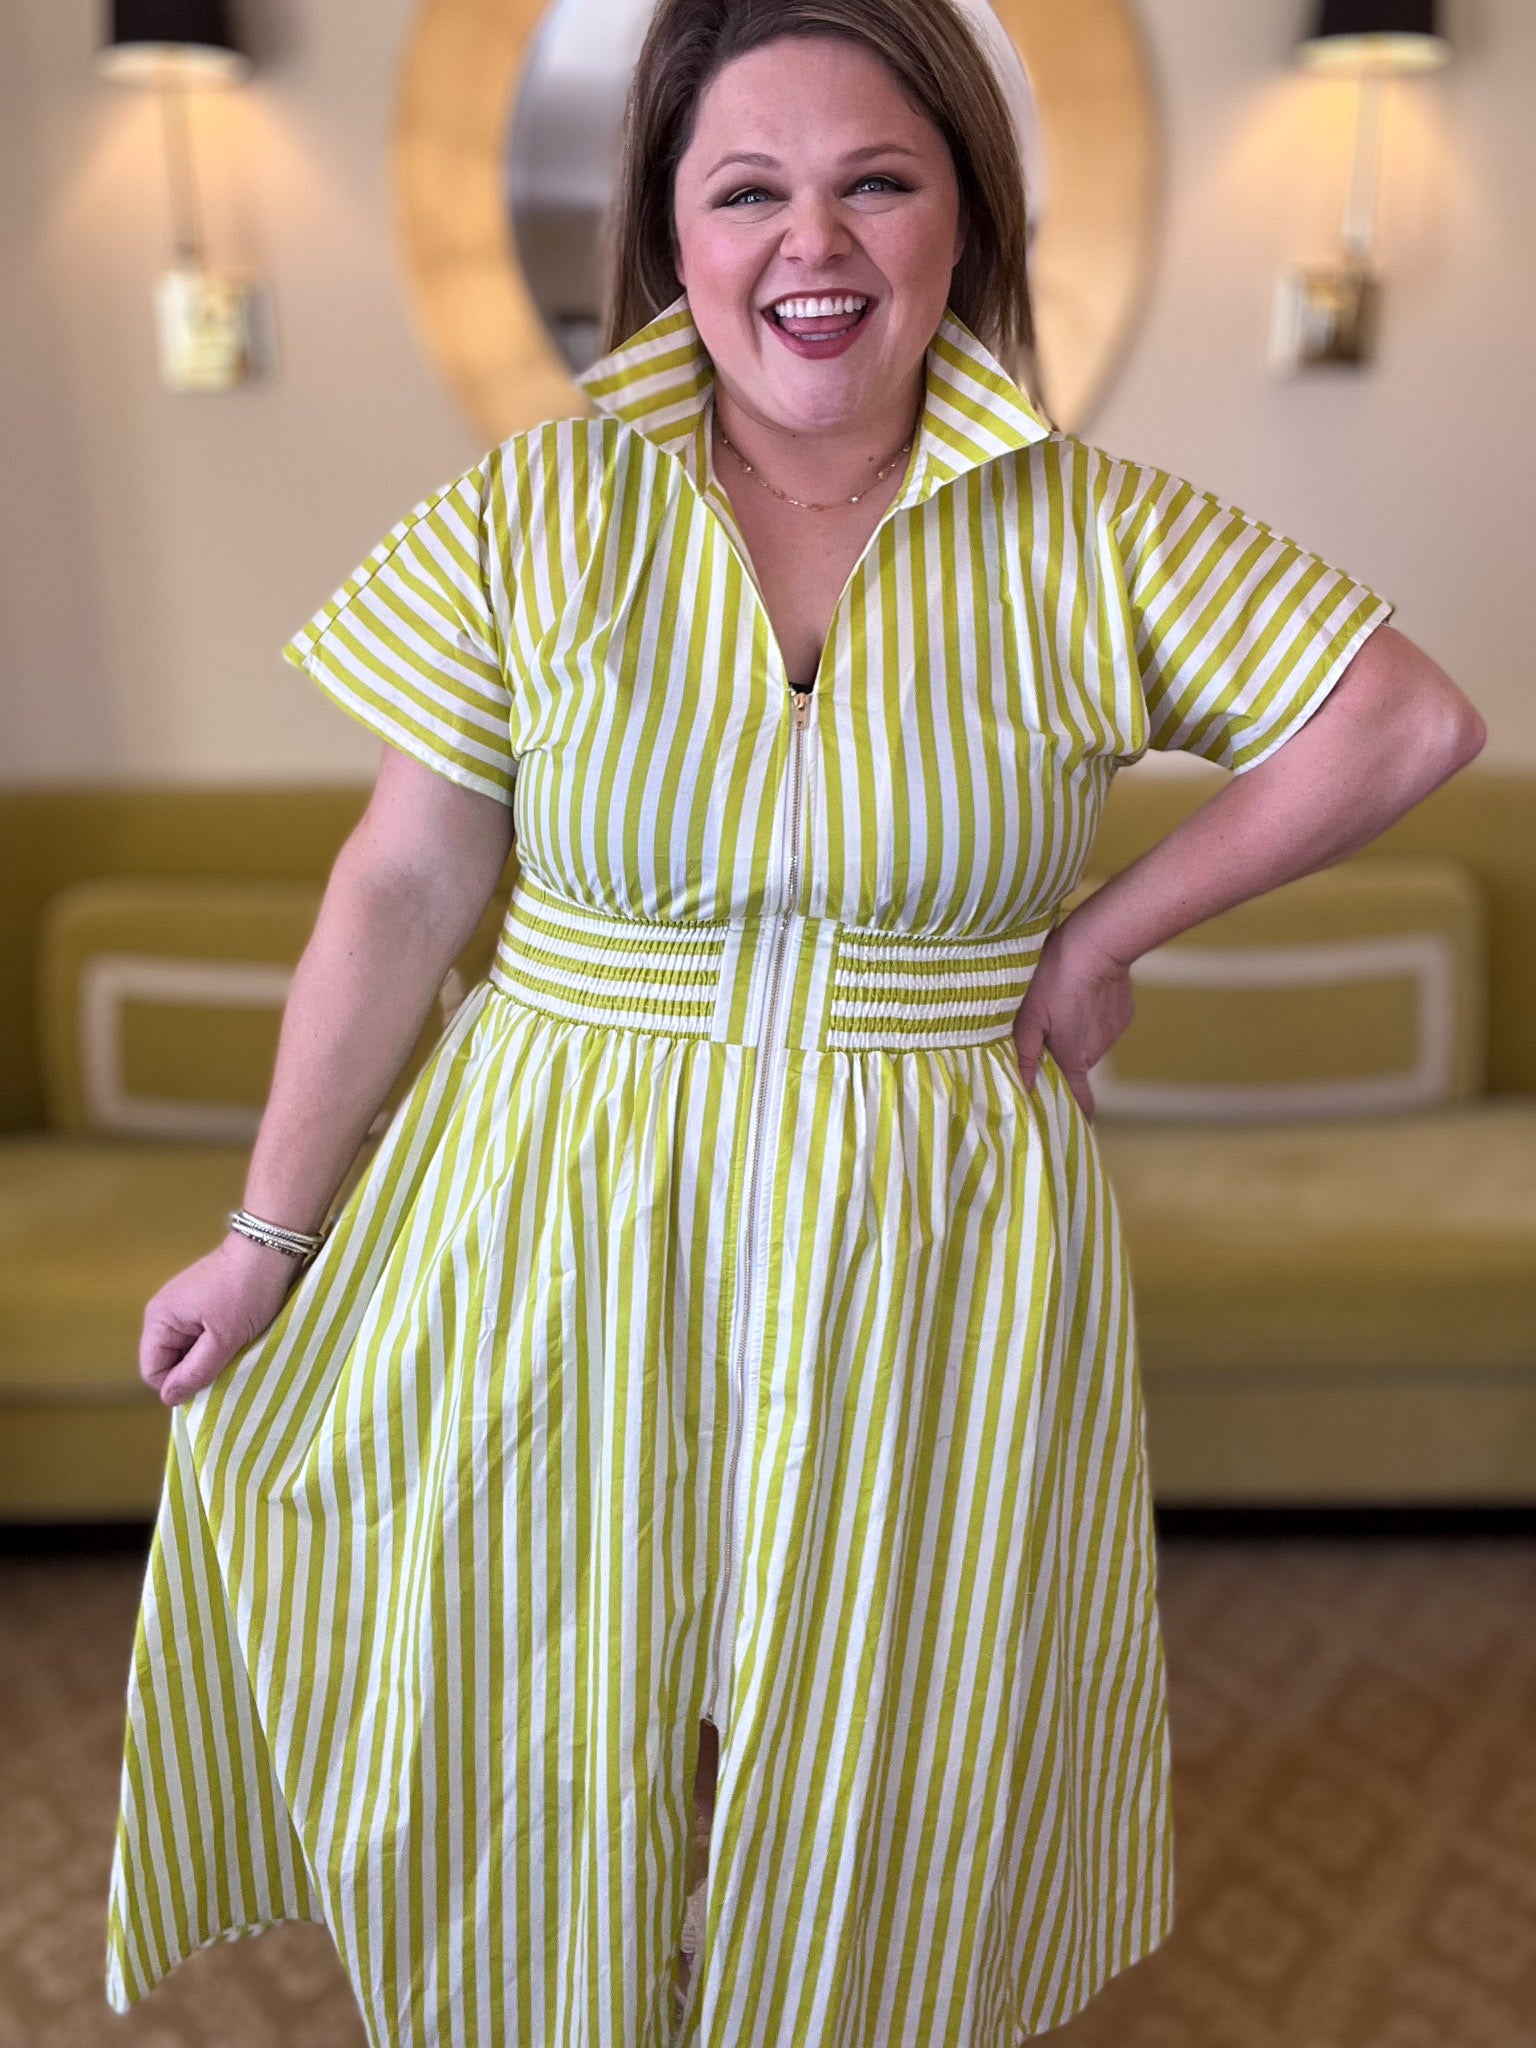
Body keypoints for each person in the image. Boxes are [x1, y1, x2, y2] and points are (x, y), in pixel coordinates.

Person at [104, 0, 1486, 2041]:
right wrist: (266, 1233)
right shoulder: (536, 512)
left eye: (878, 182)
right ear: (670, 231)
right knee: (532, 1713)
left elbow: (1405, 724)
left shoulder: (1094, 530)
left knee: (887, 1743)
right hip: (550, 1213)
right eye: (747, 189)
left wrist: (1106, 933)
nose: (810, 244)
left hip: (926, 1237)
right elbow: (401, 885)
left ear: (964, 220)